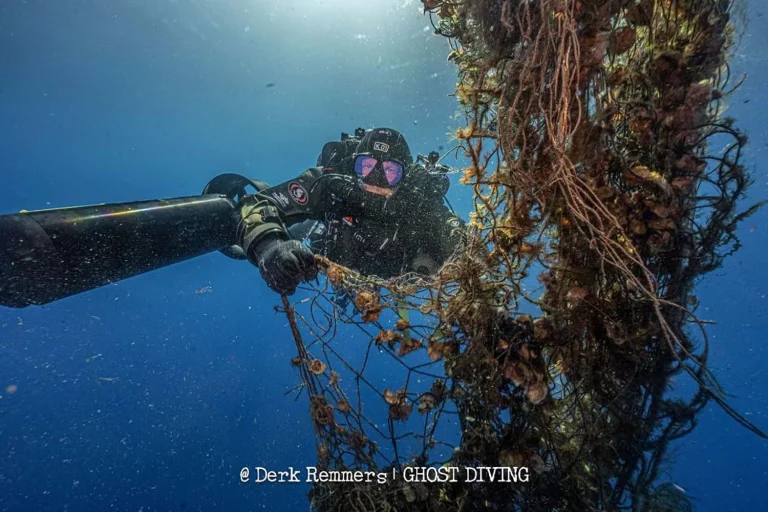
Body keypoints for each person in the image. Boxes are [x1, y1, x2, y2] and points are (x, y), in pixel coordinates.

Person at [236, 127, 465, 295]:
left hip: (401, 273)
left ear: (404, 178)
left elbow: (462, 246)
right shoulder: (329, 183)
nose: (376, 180)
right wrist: (268, 246)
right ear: (354, 167)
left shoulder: (421, 204)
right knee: (277, 227)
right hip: (336, 255)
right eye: (367, 166)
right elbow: (258, 204)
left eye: (390, 171)